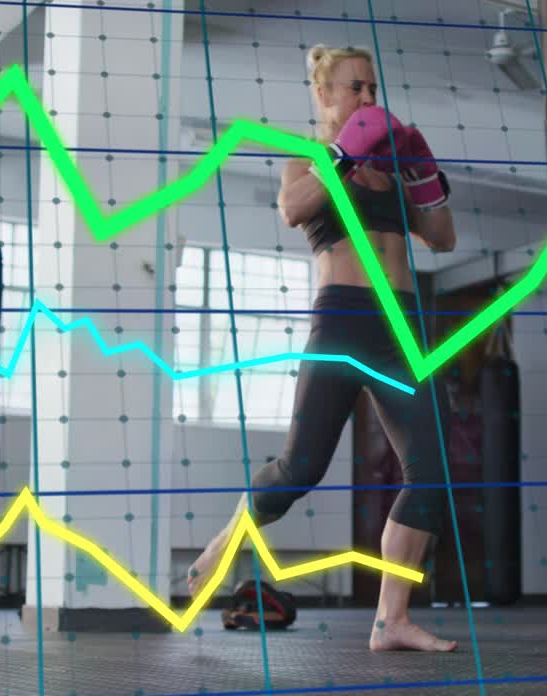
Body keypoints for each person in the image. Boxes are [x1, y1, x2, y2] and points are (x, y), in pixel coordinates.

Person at [187, 43, 459, 652]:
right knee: (300, 469)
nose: (367, 97)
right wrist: (342, 153)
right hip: (341, 323)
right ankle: (227, 539)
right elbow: (292, 209)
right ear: (324, 95)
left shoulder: (390, 166)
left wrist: (423, 174)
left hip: (401, 328)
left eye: (371, 87)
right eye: (354, 87)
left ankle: (392, 620)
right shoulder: (308, 162)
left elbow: (442, 239)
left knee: (433, 469)